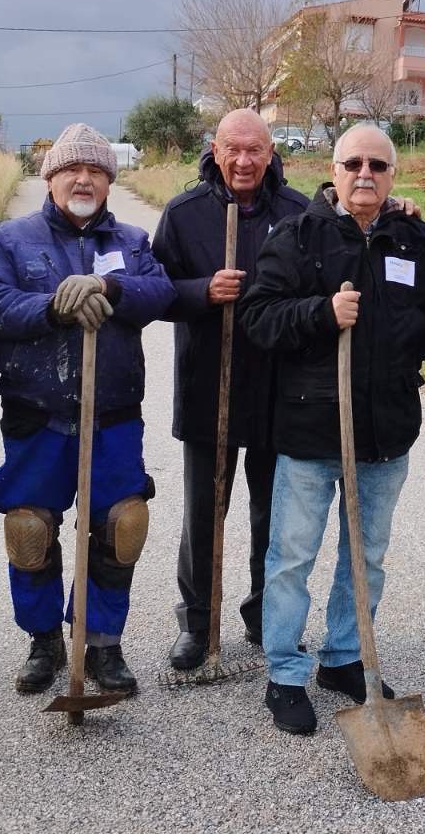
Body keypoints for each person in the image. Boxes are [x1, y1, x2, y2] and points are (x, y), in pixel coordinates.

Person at [239, 124, 425, 734]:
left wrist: (401, 361)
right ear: (333, 168)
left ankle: (344, 657)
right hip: (309, 430)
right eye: (352, 162)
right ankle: (284, 669)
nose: (365, 174)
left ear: (392, 175)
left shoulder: (411, 237)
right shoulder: (298, 234)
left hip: (385, 432)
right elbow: (257, 317)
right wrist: (320, 313)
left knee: (367, 556)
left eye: (377, 165)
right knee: (292, 556)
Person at [0, 123, 175, 696]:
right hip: (38, 416)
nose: (83, 179)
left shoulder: (132, 242)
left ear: (109, 181)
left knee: (121, 526)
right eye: (71, 171)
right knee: (30, 529)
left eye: (95, 171)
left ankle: (103, 642)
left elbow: (159, 294)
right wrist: (54, 309)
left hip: (113, 414)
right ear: (51, 178)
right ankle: (43, 640)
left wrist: (111, 292)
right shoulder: (13, 240)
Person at [151, 109, 309, 669]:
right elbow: (153, 292)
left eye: (255, 151)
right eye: (233, 150)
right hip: (206, 385)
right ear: (214, 150)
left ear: (271, 153)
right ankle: (198, 620)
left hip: (277, 388)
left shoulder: (298, 212)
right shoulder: (185, 213)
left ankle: (267, 615)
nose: (244, 162)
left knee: (274, 513)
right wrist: (200, 291)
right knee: (203, 512)